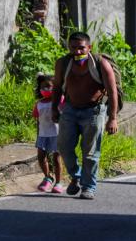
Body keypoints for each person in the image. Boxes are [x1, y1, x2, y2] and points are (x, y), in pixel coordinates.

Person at [52, 32, 118, 200]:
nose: (78, 51)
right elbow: (57, 87)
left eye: (81, 47)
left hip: (94, 111)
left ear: (89, 47)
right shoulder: (63, 63)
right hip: (69, 110)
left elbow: (112, 91)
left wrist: (113, 118)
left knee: (90, 153)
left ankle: (88, 187)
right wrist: (54, 108)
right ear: (69, 48)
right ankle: (77, 175)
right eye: (73, 48)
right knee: (64, 147)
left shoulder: (100, 64)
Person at [32, 73, 63, 193]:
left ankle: (59, 182)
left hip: (57, 134)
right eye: (43, 87)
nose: (46, 89)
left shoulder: (60, 100)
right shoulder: (39, 104)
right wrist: (38, 136)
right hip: (43, 135)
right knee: (41, 157)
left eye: (49, 86)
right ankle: (48, 177)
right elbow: (38, 121)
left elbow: (66, 116)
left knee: (56, 159)